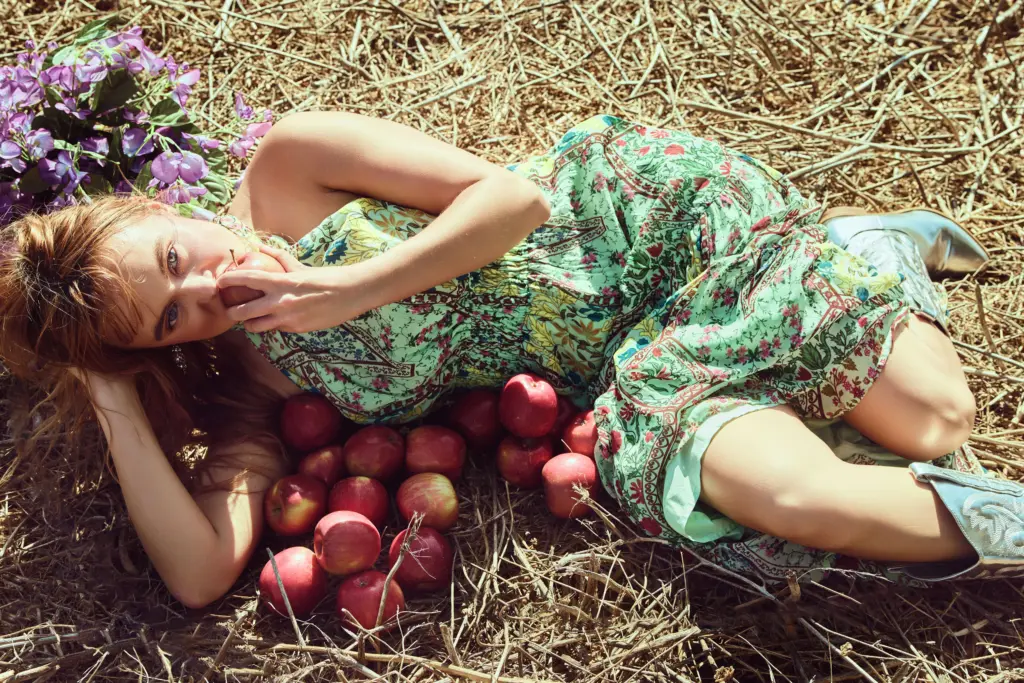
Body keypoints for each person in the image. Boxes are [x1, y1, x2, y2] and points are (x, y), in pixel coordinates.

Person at [0, 112, 1019, 609]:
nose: (206, 287)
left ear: (159, 207)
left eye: (177, 258)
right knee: (797, 494)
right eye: (171, 320)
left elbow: (518, 200)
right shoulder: (258, 386)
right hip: (635, 370)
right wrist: (109, 384)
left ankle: (868, 253)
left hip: (635, 230)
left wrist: (351, 287)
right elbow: (196, 573)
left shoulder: (287, 163)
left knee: (938, 419)